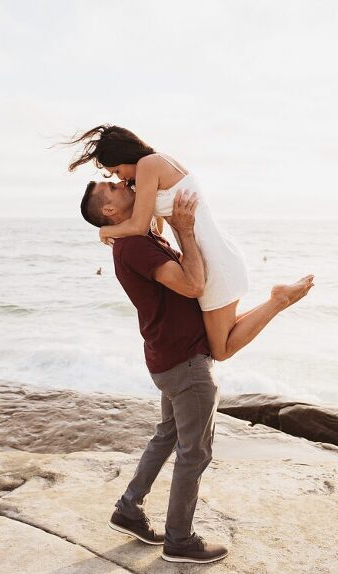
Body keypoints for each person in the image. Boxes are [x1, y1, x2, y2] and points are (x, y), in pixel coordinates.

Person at [70, 124, 314, 361]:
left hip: (214, 260)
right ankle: (277, 299)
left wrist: (106, 230)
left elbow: (140, 226)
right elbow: (156, 227)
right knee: (222, 338)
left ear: (122, 156)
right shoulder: (156, 164)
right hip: (211, 255)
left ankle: (278, 300)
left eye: (116, 172)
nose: (120, 178)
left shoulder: (148, 165)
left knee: (221, 349)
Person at [79, 185, 229, 563]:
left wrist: (115, 228)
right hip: (185, 362)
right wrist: (188, 232)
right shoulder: (136, 246)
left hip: (168, 356)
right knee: (194, 453)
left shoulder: (137, 236)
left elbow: (153, 193)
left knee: (168, 436)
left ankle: (128, 510)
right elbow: (193, 284)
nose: (126, 184)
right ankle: (179, 539)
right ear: (110, 209)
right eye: (114, 186)